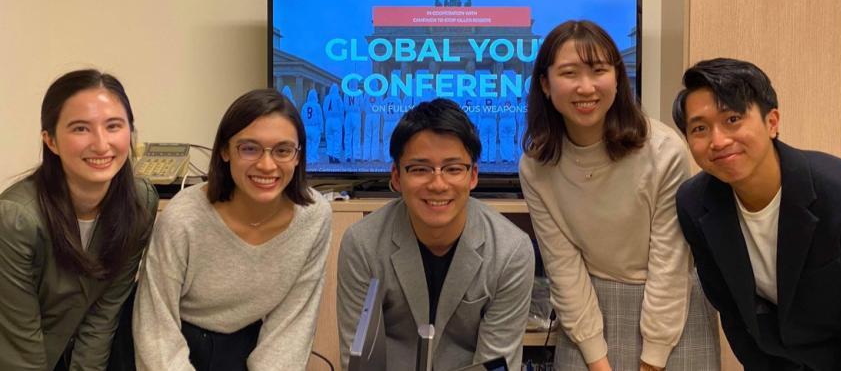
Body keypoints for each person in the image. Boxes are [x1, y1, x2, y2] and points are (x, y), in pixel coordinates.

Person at [672, 57, 841, 370]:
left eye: (733, 119)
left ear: (772, 122)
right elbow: (734, 313)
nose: (719, 140)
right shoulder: (694, 203)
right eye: (699, 128)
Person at [519, 20, 719, 371]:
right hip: (586, 311)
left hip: (671, 310)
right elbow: (563, 266)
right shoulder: (536, 165)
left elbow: (669, 263)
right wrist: (597, 360)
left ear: (617, 78)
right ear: (545, 85)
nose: (586, 87)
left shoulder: (663, 150)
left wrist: (652, 360)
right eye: (569, 73)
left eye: (598, 70)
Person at [133, 89, 331, 370]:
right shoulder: (184, 217)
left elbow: (292, 326)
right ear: (225, 151)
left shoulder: (314, 216)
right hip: (171, 345)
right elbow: (155, 325)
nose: (267, 165)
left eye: (283, 150)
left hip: (242, 342)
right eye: (249, 148)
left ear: (298, 156)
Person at [336, 98, 535, 371]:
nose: (438, 184)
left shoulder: (510, 250)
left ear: (473, 175)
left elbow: (496, 363)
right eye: (420, 169)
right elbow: (356, 359)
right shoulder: (362, 244)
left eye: (453, 169)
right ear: (396, 176)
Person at [0, 69, 158, 370]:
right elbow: (19, 346)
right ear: (51, 141)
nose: (101, 144)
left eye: (114, 126)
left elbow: (104, 313)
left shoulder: (140, 202)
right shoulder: (15, 219)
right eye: (80, 129)